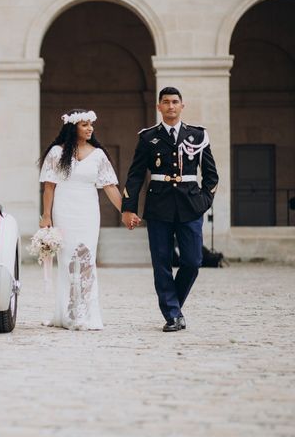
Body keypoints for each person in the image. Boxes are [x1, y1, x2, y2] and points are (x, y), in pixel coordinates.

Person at [121, 87, 219, 332]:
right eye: (166, 102)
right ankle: (173, 315)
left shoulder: (197, 135)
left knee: (192, 261)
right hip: (159, 206)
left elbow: (211, 175)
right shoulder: (147, 137)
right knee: (161, 262)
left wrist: (204, 201)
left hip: (190, 206)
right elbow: (134, 176)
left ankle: (172, 304)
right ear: (159, 107)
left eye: (175, 102)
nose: (171, 106)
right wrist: (128, 208)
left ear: (182, 106)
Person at [39, 109, 122, 330]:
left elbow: (110, 186)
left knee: (86, 259)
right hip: (64, 209)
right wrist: (46, 216)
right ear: (72, 127)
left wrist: (126, 212)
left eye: (91, 124)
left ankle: (85, 313)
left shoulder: (98, 154)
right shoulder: (57, 152)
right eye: (84, 124)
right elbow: (49, 186)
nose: (90, 128)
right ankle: (68, 312)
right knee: (67, 260)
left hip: (88, 211)